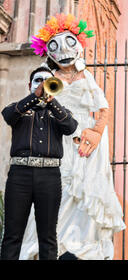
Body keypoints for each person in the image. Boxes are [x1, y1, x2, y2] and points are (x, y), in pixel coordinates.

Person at [20, 13, 125, 260]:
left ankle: (79, 247)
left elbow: (103, 107)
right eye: (55, 45)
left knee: (84, 192)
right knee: (59, 190)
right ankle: (52, 246)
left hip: (85, 140)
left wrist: (97, 131)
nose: (65, 51)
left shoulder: (85, 76)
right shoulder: (48, 77)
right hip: (57, 139)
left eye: (69, 42)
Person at [1, 66, 78, 260]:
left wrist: (51, 101)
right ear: (30, 85)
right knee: (12, 236)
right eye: (38, 80)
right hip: (20, 175)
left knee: (48, 237)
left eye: (47, 81)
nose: (42, 84)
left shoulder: (59, 111)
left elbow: (70, 127)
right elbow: (8, 115)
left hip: (49, 177)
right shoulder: (18, 108)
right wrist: (35, 97)